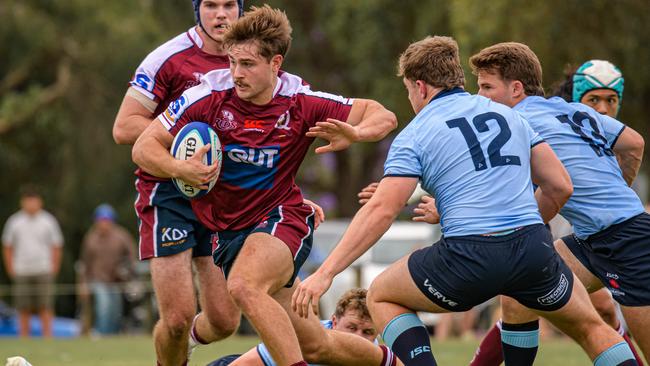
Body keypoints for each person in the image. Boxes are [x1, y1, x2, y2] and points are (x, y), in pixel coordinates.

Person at [292, 35, 638, 366]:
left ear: (420, 86)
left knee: (382, 294)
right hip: (533, 249)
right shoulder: (510, 115)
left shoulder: (416, 132)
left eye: (408, 90)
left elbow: (383, 210)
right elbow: (560, 186)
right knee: (592, 328)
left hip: (469, 258)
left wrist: (325, 273)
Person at [133, 5, 398, 366]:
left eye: (248, 65)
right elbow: (143, 146)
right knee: (316, 344)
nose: (236, 74)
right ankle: (392, 362)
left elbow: (383, 115)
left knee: (243, 286)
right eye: (232, 62)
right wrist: (180, 167)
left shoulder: (301, 101)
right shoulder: (207, 95)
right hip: (228, 234)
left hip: (281, 218)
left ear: (276, 64)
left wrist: (356, 131)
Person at [465, 42, 648, 365]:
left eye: (486, 87)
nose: (480, 97)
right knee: (519, 289)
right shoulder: (570, 109)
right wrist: (614, 191)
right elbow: (634, 143)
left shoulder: (515, 122)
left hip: (631, 243)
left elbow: (553, 189)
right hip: (592, 241)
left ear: (516, 88)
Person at [112, 1, 243, 364]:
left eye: (229, 5)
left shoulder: (250, 59)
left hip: (218, 198)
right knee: (177, 318)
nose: (221, 14)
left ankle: (180, 347)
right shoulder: (168, 59)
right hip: (167, 192)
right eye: (211, 5)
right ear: (196, 10)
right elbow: (124, 127)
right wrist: (187, 146)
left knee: (225, 320)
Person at [208, 288, 380, 366]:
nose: (358, 337)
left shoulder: (377, 356)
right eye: (351, 327)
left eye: (367, 332)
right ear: (334, 322)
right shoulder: (309, 338)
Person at [2, 186, 63, 338]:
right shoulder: (14, 222)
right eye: (28, 201)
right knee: (23, 308)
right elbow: (7, 246)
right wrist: (11, 268)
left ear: (39, 202)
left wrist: (54, 268)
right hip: (21, 270)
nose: (31, 204)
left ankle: (48, 337)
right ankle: (24, 338)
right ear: (22, 203)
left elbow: (56, 246)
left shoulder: (48, 221)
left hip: (43, 269)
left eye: (33, 201)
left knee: (46, 306)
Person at [77, 204, 136, 335]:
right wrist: (83, 284)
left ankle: (112, 336)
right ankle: (102, 334)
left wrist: (126, 270)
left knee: (116, 312)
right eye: (101, 220)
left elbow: (132, 256)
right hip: (97, 279)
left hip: (117, 280)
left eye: (106, 220)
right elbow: (84, 263)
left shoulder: (122, 236)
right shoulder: (90, 238)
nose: (104, 224)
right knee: (104, 308)